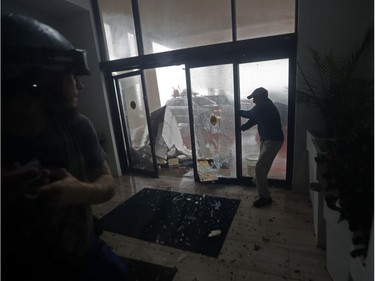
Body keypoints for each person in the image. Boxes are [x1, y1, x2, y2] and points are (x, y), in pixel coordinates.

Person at [1, 14, 127, 281]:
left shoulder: (78, 126)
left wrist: (80, 191)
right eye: (71, 76)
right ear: (41, 83)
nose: (80, 85)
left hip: (86, 253)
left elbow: (107, 183)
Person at [239, 87, 284, 208]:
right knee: (263, 166)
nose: (253, 101)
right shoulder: (265, 105)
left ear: (260, 97)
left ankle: (265, 197)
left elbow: (248, 114)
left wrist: (236, 111)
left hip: (272, 141)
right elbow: (254, 119)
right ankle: (257, 181)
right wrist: (242, 127)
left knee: (260, 168)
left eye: (254, 98)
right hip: (268, 140)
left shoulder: (263, 106)